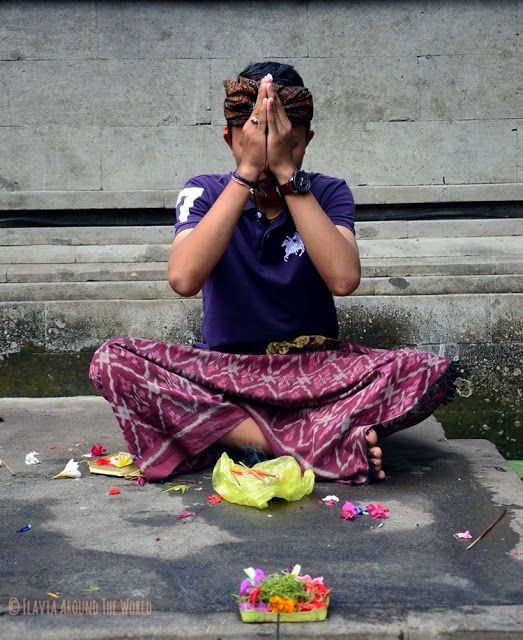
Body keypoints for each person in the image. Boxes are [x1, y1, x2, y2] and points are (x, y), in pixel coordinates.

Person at [89, 61, 456, 484]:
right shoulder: (205, 191)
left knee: (421, 369)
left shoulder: (327, 191)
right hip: (225, 374)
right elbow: (184, 279)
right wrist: (245, 174)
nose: (269, 158)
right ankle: (298, 444)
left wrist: (287, 174)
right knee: (112, 361)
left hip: (313, 377)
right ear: (231, 139)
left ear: (307, 142)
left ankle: (238, 435)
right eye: (256, 146)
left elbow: (343, 279)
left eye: (287, 145)